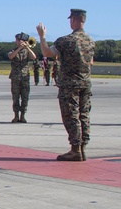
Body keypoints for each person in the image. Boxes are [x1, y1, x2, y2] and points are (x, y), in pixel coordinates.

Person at [37, 9, 94, 161]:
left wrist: (42, 37)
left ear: (74, 20)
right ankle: (82, 148)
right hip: (85, 83)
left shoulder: (66, 40)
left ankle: (75, 149)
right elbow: (91, 61)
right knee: (84, 115)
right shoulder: (90, 41)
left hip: (70, 84)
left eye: (71, 20)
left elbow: (48, 53)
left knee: (71, 115)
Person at [7, 33, 37, 123]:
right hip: (15, 77)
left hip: (25, 77)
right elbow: (11, 56)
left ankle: (23, 115)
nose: (19, 42)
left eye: (21, 40)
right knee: (15, 97)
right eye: (18, 40)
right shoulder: (13, 50)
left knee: (25, 97)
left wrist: (27, 47)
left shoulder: (27, 51)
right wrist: (19, 48)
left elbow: (34, 57)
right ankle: (16, 115)